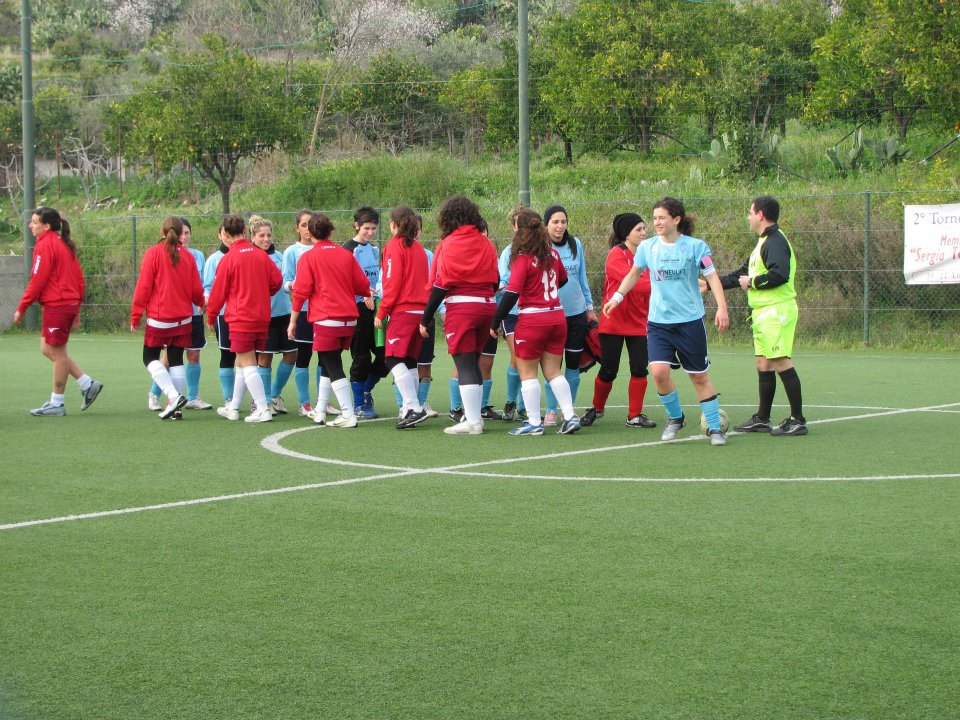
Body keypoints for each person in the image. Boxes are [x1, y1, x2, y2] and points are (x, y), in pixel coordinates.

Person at [602, 197, 730, 446]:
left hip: (689, 322)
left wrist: (722, 308)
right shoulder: (648, 247)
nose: (657, 222)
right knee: (659, 373)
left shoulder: (695, 247)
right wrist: (617, 297)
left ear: (676, 220)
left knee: (699, 377)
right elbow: (634, 274)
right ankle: (676, 418)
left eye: (662, 218)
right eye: (655, 218)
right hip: (658, 323)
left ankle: (715, 428)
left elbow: (712, 278)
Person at [719, 195, 807, 436]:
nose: (748, 217)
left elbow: (780, 274)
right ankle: (762, 418)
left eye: (750, 212)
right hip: (762, 312)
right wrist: (711, 284)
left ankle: (798, 420)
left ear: (760, 215)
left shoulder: (775, 241)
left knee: (780, 361)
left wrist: (753, 282)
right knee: (763, 363)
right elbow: (742, 274)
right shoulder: (763, 242)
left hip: (776, 310)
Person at [489, 209, 581, 436]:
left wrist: (495, 321)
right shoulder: (553, 254)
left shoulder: (523, 258)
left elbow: (511, 293)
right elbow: (563, 279)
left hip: (532, 319)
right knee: (554, 371)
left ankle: (533, 422)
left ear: (519, 230)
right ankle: (570, 416)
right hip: (557, 316)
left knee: (527, 373)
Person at [419, 195, 500, 435]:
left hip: (462, 308)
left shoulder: (448, 244)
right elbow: (496, 280)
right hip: (488, 306)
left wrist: (425, 318)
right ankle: (476, 418)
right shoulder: (487, 243)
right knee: (474, 362)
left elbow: (440, 284)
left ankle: (473, 422)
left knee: (464, 363)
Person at [13, 206, 103, 416]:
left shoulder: (46, 245)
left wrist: (21, 308)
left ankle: (57, 403)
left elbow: (37, 280)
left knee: (58, 354)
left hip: (59, 305)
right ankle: (87, 383)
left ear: (46, 226)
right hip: (63, 305)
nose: (30, 225)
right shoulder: (62, 243)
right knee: (47, 349)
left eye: (34, 222)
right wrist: (76, 308)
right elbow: (79, 279)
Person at [289, 213, 374, 428]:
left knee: (333, 365)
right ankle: (320, 410)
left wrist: (293, 320)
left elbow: (300, 292)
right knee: (328, 363)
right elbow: (362, 285)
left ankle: (348, 413)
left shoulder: (308, 257)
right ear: (331, 231)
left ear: (310, 232)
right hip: (349, 320)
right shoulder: (345, 254)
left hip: (327, 320)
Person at [581, 213, 656, 429]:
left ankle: (634, 415)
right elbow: (637, 284)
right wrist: (662, 283)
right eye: (638, 229)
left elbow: (652, 280)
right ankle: (597, 408)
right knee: (609, 370)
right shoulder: (615, 254)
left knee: (640, 368)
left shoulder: (648, 254)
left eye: (644, 228)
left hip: (640, 321)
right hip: (613, 321)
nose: (644, 233)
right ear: (626, 233)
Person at [206, 214, 283, 423]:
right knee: (241, 362)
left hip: (241, 318)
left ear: (226, 234)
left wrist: (211, 316)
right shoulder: (261, 255)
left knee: (248, 363)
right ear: (244, 232)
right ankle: (234, 407)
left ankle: (262, 408)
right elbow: (277, 281)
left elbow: (218, 293)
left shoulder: (228, 258)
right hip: (262, 316)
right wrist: (261, 293)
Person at [130, 216, 206, 420]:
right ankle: (176, 409)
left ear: (162, 232)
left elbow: (143, 287)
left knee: (149, 358)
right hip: (184, 318)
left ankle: (173, 397)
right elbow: (196, 289)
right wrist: (201, 302)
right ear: (180, 233)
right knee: (176, 359)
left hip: (160, 318)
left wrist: (136, 315)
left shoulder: (153, 253)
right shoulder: (188, 256)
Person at [375, 206, 432, 429]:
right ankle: (410, 409)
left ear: (394, 225)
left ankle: (414, 407)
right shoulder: (419, 248)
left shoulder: (394, 246)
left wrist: (382, 312)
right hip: (420, 312)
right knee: (409, 361)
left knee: (392, 358)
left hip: (404, 311)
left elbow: (392, 282)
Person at [146, 218, 212, 411]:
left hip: (193, 314)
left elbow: (201, 284)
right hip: (173, 317)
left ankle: (192, 397)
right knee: (169, 357)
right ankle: (155, 394)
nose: (184, 236)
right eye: (181, 233)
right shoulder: (162, 254)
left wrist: (203, 300)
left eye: (187, 233)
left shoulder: (197, 256)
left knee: (194, 354)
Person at [542, 205, 596, 425]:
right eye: (555, 222)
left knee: (573, 367)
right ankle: (551, 411)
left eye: (563, 221)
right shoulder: (541, 247)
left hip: (576, 314)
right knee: (552, 367)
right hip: (552, 315)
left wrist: (589, 307)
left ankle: (568, 411)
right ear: (546, 224)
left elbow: (582, 278)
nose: (560, 226)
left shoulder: (576, 244)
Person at [249, 215, 298, 415]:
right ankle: (263, 400)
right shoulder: (250, 257)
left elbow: (287, 280)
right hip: (263, 316)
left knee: (292, 354)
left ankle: (275, 394)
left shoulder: (279, 256)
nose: (266, 239)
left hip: (284, 313)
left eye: (268, 235)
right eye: (261, 235)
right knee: (264, 358)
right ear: (252, 237)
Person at [344, 206, 388, 419]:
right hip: (356, 310)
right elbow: (342, 281)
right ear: (357, 226)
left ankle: (365, 390)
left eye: (373, 228)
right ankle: (359, 404)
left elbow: (379, 279)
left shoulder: (375, 250)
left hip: (376, 309)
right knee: (361, 357)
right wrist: (363, 292)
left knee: (386, 355)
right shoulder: (347, 250)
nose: (370, 232)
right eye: (366, 228)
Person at [281, 210, 320, 416]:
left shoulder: (322, 248)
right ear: (297, 228)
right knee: (304, 356)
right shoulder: (292, 252)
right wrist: (295, 285)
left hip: (322, 311)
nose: (307, 229)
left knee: (325, 357)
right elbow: (285, 282)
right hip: (303, 311)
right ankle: (304, 403)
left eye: (310, 224)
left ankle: (323, 401)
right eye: (303, 225)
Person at [498, 206, 529, 422]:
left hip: (532, 312)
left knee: (528, 358)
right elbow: (504, 281)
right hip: (512, 312)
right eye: (520, 223)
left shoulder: (540, 249)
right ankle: (511, 402)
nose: (523, 227)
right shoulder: (508, 252)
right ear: (514, 226)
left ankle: (524, 405)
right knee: (518, 357)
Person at [202, 223, 237, 406]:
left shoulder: (243, 255)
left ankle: (256, 400)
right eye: (225, 233)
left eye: (231, 233)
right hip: (223, 315)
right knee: (228, 355)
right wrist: (210, 309)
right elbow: (207, 288)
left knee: (250, 357)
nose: (228, 237)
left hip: (244, 314)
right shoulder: (214, 260)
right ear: (220, 235)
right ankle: (229, 398)